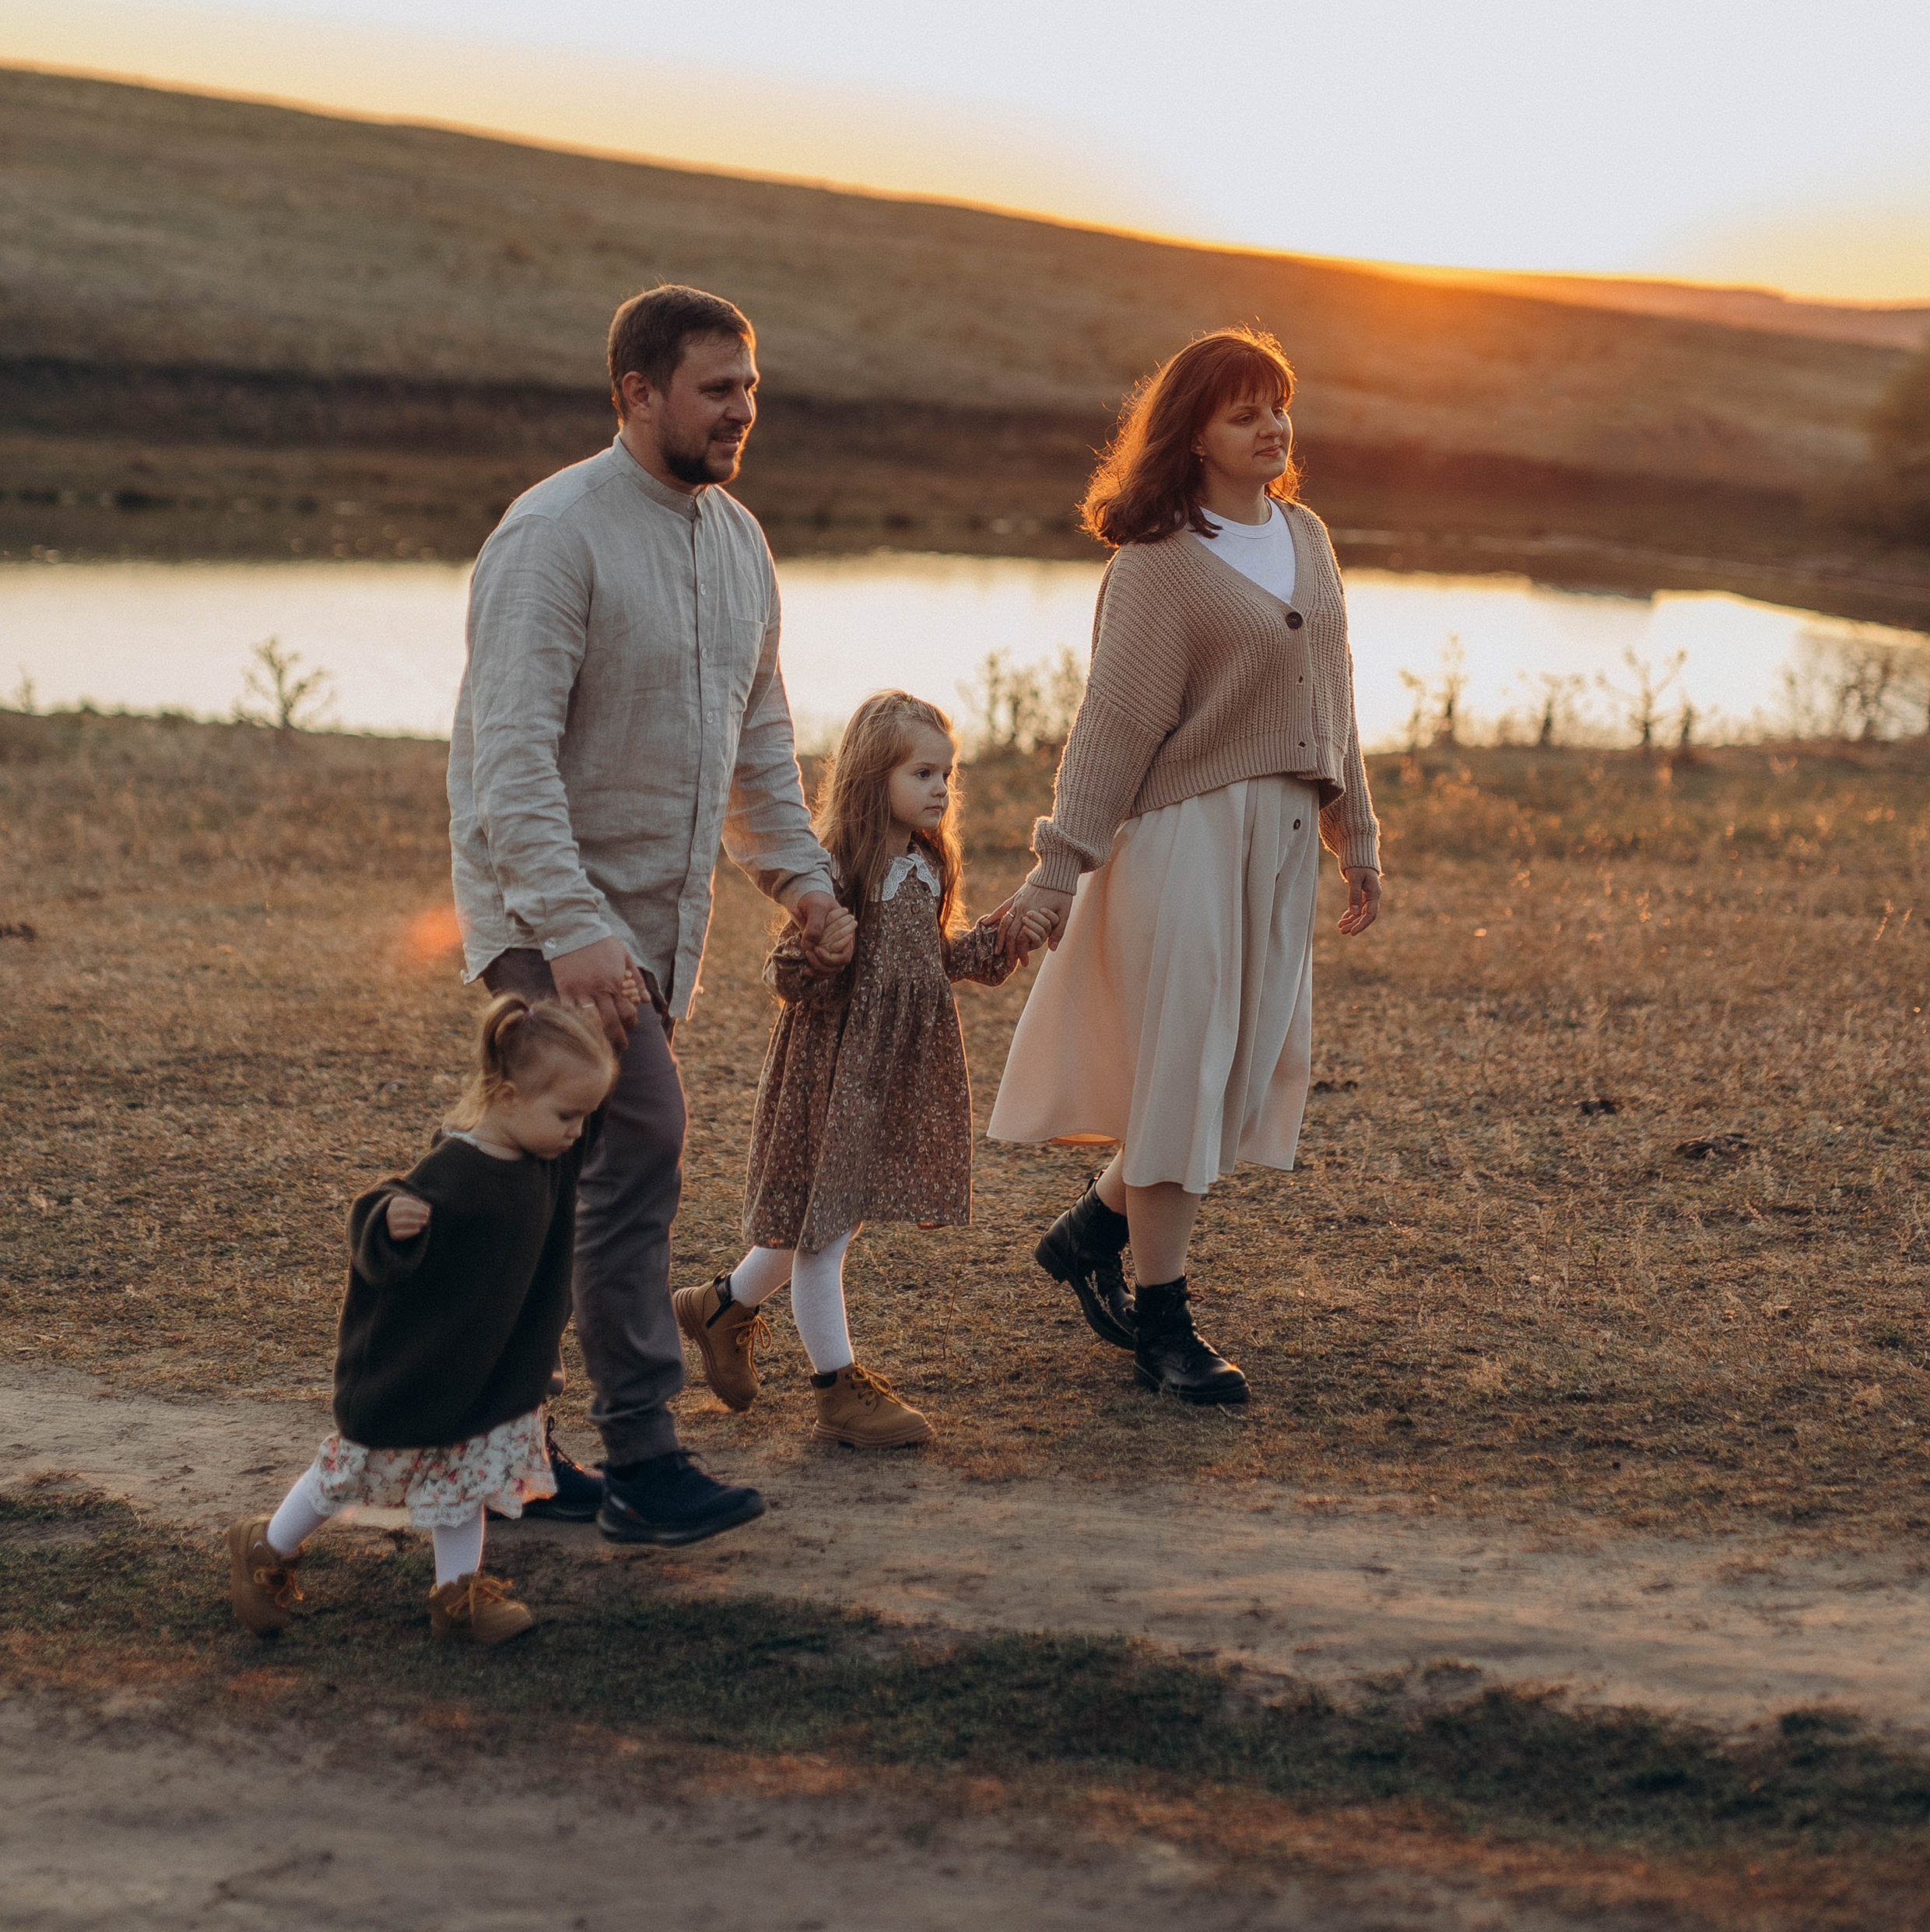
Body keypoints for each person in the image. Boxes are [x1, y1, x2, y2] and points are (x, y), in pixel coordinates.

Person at [447, 283, 840, 1547]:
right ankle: (645, 1454)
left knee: (554, 1187)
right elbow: (510, 760)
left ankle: (516, 1453)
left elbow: (761, 741)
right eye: (716, 387)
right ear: (637, 393)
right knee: (643, 1137)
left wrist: (802, 882)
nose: (742, 410)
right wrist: (569, 926)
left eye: (751, 387)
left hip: (648, 931)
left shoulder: (737, 543)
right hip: (545, 915)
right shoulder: (553, 534)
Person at [986, 328, 1383, 1407]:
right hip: (1186, 842)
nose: (1272, 427)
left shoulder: (1307, 535)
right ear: (1194, 433)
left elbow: (1335, 698)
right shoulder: (1158, 563)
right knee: (1185, 1076)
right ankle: (1166, 1321)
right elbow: (1112, 730)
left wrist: (1361, 838)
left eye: (1280, 406)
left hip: (1286, 845)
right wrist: (1057, 869)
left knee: (1240, 1074)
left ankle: (1088, 1229)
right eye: (1244, 412)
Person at [674, 693, 1035, 1449]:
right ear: (875, 777)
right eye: (923, 771)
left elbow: (935, 960)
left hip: (885, 1080)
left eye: (947, 773)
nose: (942, 788)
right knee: (822, 1232)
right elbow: (788, 972)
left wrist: (1001, 941)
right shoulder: (838, 867)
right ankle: (837, 1390)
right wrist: (818, 950)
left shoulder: (927, 865)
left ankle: (720, 1307)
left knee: (821, 1218)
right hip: (831, 1074)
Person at [226, 993, 618, 1648]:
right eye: (566, 1114)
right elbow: (374, 1213)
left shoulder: (550, 1155)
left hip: (483, 1371)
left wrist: (616, 1029)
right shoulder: (457, 1167)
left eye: (584, 1115)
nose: (578, 1129)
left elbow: (592, 1120)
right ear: (510, 1094)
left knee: (465, 1477)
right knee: (349, 1471)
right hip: (415, 1367)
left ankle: (457, 1595)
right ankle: (265, 1547)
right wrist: (391, 1222)